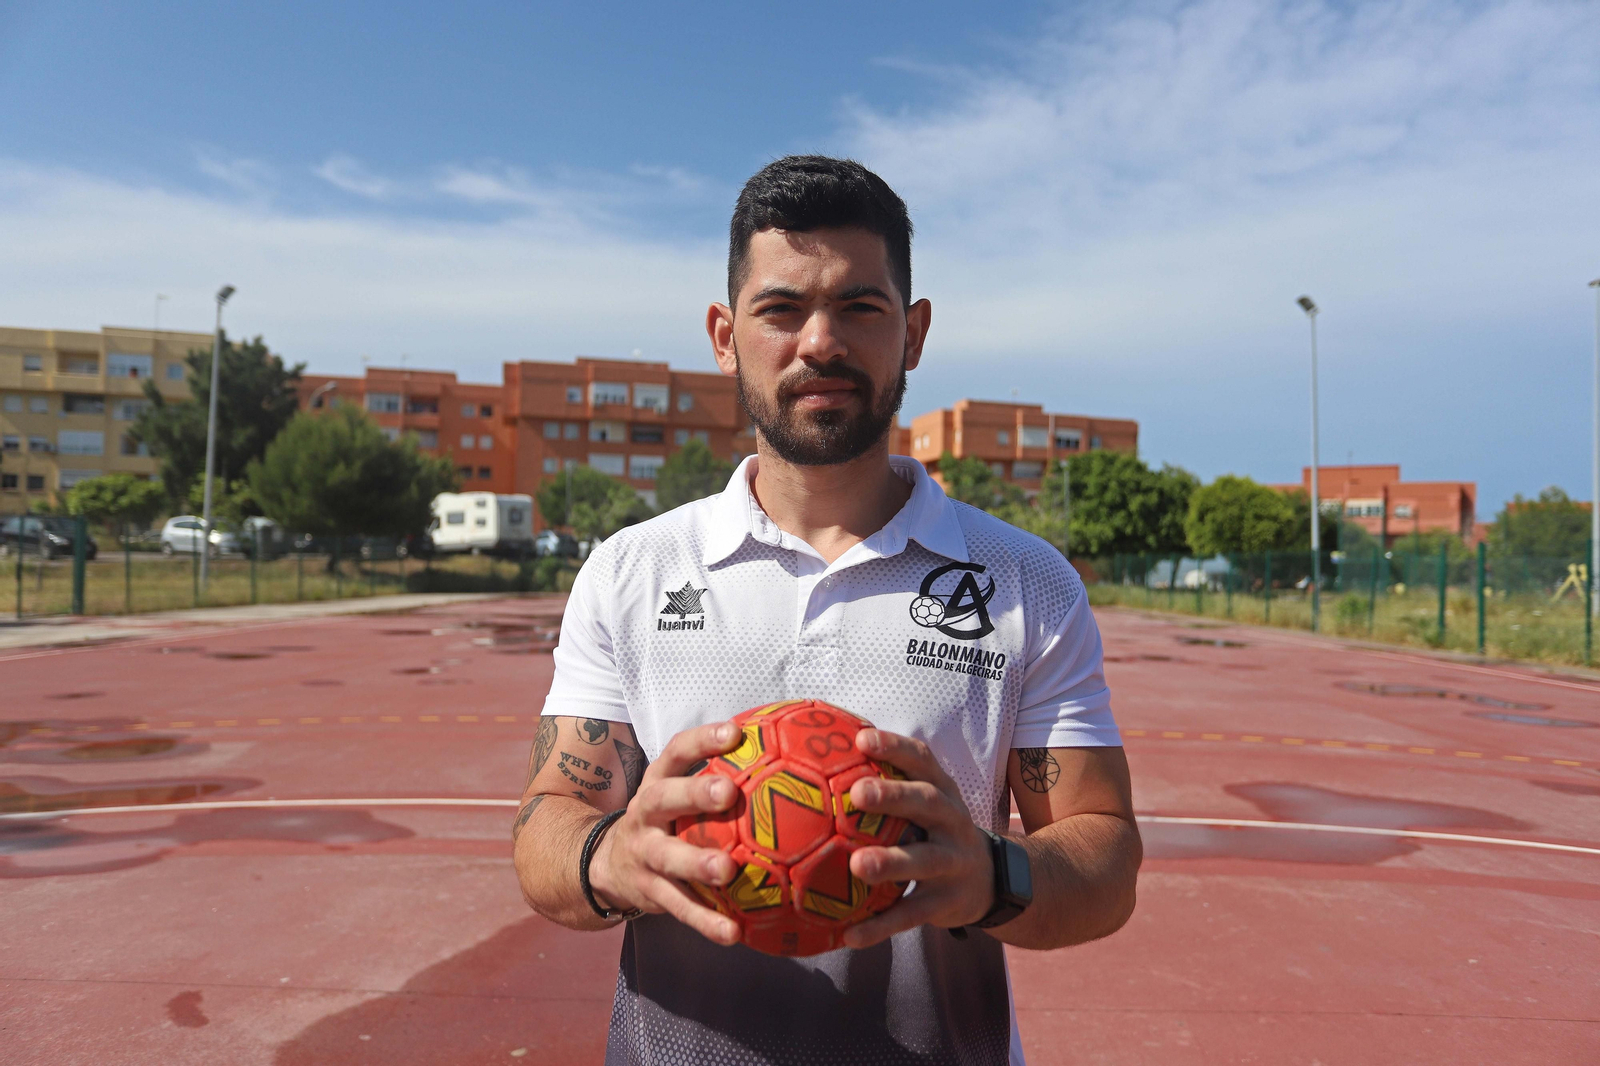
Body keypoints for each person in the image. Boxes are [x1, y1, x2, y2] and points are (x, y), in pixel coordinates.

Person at [512, 155, 1141, 1066]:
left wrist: (991, 875)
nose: (820, 343)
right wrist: (611, 858)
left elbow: (1105, 856)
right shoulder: (632, 572)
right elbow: (548, 817)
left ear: (913, 333)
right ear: (725, 335)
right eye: (781, 309)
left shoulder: (1024, 583)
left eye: (860, 307)